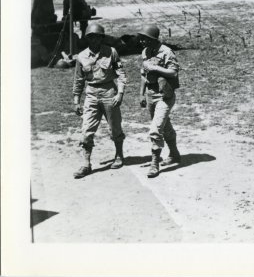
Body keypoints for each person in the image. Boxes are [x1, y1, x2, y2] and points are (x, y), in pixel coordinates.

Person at [71, 23, 125, 178]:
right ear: (87, 39)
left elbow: (121, 73)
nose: (95, 40)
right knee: (86, 131)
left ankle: (119, 155)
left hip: (109, 92)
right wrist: (76, 100)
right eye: (92, 37)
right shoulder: (81, 56)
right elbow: (78, 80)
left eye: (98, 37)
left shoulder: (111, 52)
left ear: (102, 38)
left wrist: (120, 93)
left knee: (115, 128)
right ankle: (86, 164)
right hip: (91, 94)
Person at [137, 24, 181, 178]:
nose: (142, 42)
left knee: (156, 129)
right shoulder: (145, 52)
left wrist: (156, 69)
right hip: (150, 93)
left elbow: (173, 71)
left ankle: (154, 163)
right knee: (164, 126)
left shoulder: (166, 52)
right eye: (141, 39)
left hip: (164, 94)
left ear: (153, 39)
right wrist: (141, 94)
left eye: (145, 39)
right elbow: (144, 73)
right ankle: (175, 154)